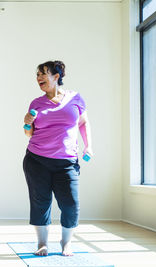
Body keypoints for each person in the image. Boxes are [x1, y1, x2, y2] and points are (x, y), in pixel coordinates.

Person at [23, 60, 92, 257]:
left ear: (56, 76)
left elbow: (84, 123)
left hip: (67, 161)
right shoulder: (36, 103)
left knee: (70, 204)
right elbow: (30, 134)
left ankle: (66, 242)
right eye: (37, 75)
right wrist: (27, 124)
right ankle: (42, 243)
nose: (39, 78)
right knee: (40, 202)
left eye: (43, 74)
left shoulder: (75, 98)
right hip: (37, 160)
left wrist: (89, 145)